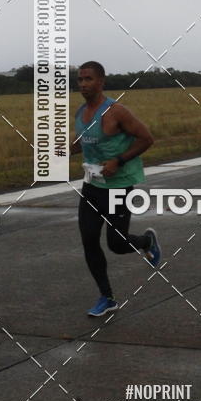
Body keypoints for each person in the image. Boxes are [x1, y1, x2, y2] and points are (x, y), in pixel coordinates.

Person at [70, 61, 160, 317]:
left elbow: (147, 138)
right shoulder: (80, 112)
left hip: (118, 187)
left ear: (101, 81)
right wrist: (63, 150)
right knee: (88, 240)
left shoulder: (116, 111)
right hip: (92, 186)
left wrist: (118, 161)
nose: (83, 84)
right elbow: (83, 142)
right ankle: (107, 297)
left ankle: (146, 241)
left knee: (117, 244)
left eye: (88, 79)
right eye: (79, 80)